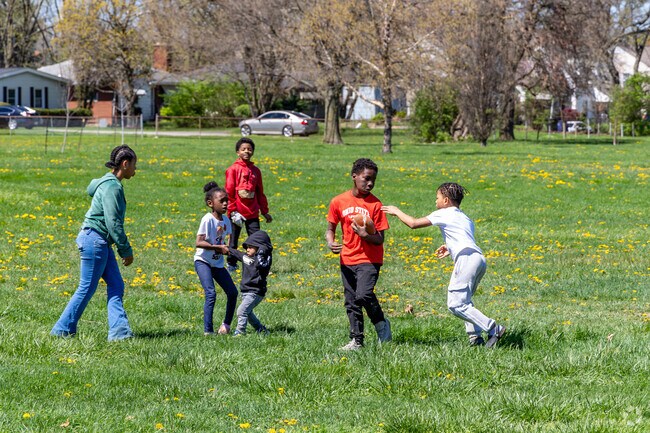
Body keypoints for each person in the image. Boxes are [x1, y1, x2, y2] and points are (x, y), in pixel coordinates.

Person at [382, 182, 506, 348]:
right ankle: (475, 339)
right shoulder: (464, 217)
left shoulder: (444, 213)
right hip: (478, 258)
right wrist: (450, 247)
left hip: (466, 259)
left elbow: (413, 223)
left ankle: (493, 328)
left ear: (446, 200)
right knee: (465, 301)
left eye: (437, 198)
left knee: (456, 304)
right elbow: (463, 236)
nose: (435, 201)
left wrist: (397, 211)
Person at [51, 145, 138, 341]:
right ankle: (62, 329)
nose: (135, 169)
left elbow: (93, 192)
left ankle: (120, 333)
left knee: (116, 284)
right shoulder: (112, 187)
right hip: (95, 239)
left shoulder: (105, 182)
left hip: (98, 241)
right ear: (125, 164)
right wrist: (126, 250)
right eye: (134, 165)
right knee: (86, 287)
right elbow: (113, 223)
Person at [326, 158, 392, 351]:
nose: (370, 183)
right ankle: (357, 340)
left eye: (373, 180)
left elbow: (380, 238)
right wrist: (331, 242)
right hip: (347, 258)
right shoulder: (338, 201)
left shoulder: (376, 204)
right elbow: (330, 228)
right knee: (352, 300)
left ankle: (381, 324)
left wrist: (365, 235)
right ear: (354, 177)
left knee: (363, 295)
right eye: (366, 179)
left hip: (370, 259)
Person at [194, 181, 238, 335]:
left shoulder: (226, 221)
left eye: (227, 200)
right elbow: (198, 242)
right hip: (203, 261)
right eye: (222, 201)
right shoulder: (207, 219)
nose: (226, 203)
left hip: (217, 263)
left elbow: (225, 240)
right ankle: (208, 332)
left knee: (233, 292)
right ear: (210, 203)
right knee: (211, 293)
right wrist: (218, 248)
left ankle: (226, 325)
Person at [225, 137, 272, 273]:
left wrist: (264, 211)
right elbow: (229, 191)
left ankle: (259, 264)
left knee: (257, 239)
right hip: (236, 213)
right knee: (233, 240)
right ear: (237, 152)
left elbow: (260, 192)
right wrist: (233, 210)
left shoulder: (256, 171)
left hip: (252, 212)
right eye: (243, 149)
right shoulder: (232, 170)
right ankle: (232, 264)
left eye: (249, 149)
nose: (247, 151)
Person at [225, 230, 273, 335]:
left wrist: (261, 254)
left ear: (259, 248)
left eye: (251, 247)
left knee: (241, 311)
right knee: (248, 312)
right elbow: (236, 253)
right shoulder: (245, 257)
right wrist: (225, 248)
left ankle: (240, 332)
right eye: (247, 247)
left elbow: (263, 267)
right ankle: (261, 329)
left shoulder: (264, 260)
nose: (247, 249)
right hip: (245, 291)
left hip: (256, 292)